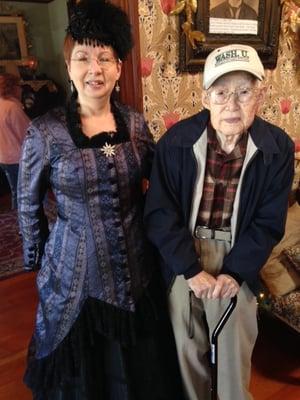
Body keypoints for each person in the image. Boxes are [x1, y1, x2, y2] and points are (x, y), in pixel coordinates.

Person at [18, 1, 183, 399]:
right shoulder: (45, 133)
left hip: (136, 270)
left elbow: (162, 184)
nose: (95, 68)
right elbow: (27, 203)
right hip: (75, 279)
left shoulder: (135, 123)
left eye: (104, 58)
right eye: (83, 57)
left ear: (119, 68)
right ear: (69, 65)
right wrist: (38, 259)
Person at [144, 44, 295, 400]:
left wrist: (235, 273)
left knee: (233, 355)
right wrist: (190, 269)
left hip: (240, 253)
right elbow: (160, 213)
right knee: (187, 351)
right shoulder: (176, 143)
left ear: (261, 95)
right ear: (205, 97)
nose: (232, 104)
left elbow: (268, 221)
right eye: (222, 92)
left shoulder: (277, 148)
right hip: (185, 251)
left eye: (244, 92)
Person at [0, 73, 30, 209]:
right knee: (26, 193)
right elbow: (27, 135)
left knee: (16, 192)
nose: (21, 89)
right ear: (11, 88)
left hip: (4, 157)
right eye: (19, 86)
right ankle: (25, 224)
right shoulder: (12, 107)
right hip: (17, 158)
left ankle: (18, 222)